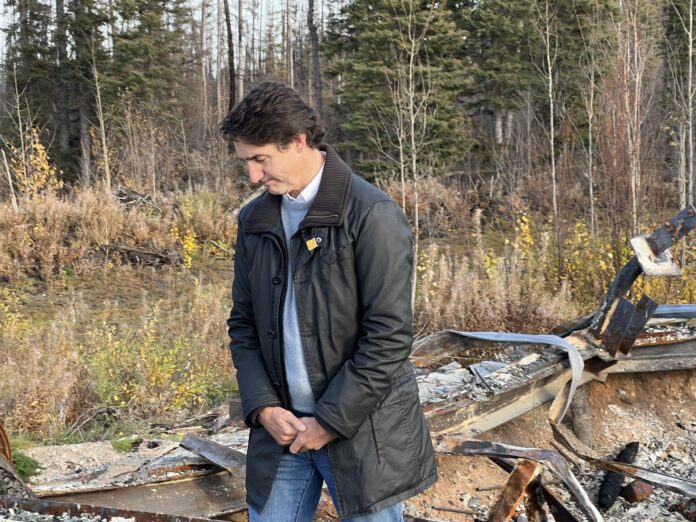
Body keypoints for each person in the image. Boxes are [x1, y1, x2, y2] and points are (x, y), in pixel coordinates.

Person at [221, 81, 436, 522]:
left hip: (360, 431)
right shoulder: (254, 219)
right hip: (280, 433)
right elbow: (243, 324)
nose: (254, 177)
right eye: (247, 163)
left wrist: (329, 422)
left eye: (261, 160)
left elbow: (389, 339)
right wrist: (262, 406)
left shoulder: (371, 215)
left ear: (298, 142)